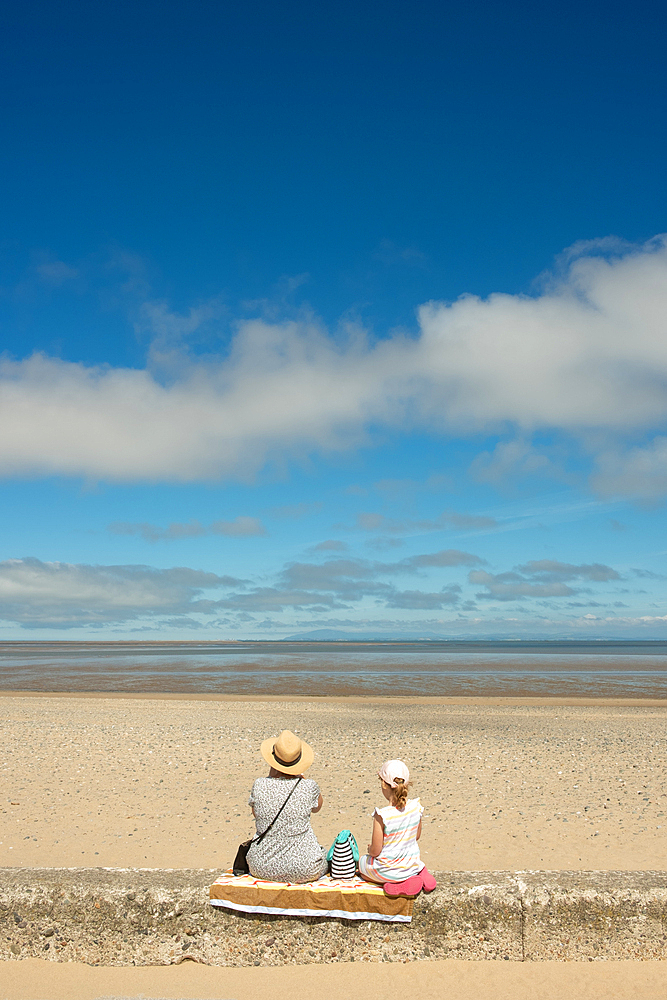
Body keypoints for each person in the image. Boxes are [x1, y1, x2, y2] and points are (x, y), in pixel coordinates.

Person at [246, 729, 328, 883]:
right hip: (305, 868)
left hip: (261, 866)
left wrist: (272, 777)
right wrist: (301, 778)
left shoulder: (259, 785)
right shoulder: (308, 786)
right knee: (325, 854)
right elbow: (317, 807)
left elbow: (256, 813)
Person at [358, 759, 437, 896]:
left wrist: (370, 849)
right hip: (410, 866)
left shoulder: (382, 815)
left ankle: (397, 884)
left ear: (384, 784)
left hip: (389, 870)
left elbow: (376, 851)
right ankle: (419, 872)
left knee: (362, 866)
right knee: (412, 862)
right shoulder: (415, 807)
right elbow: (416, 836)